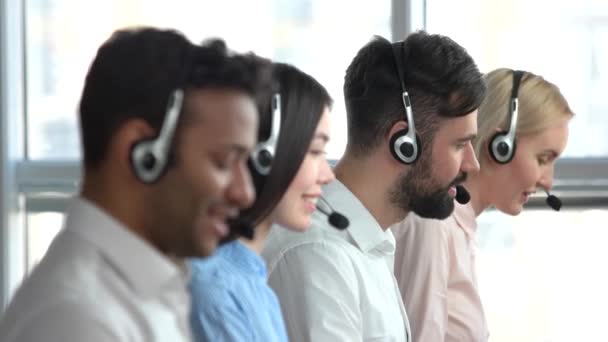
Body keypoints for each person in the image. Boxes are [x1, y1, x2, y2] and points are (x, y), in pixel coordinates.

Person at [0, 27, 272, 341]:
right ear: (143, 152)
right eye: (224, 162)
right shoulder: (77, 320)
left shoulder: (148, 292)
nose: (245, 193)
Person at [261, 31, 486, 341]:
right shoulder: (320, 257)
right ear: (404, 143)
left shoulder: (368, 245)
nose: (471, 164)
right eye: (460, 145)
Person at [392, 68, 573, 342]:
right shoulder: (435, 224)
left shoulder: (459, 226)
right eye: (543, 159)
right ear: (501, 146)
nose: (548, 181)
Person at [188, 62, 335, 341]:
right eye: (315, 151)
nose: (327, 175)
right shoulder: (217, 294)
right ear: (264, 156)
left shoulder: (253, 284)